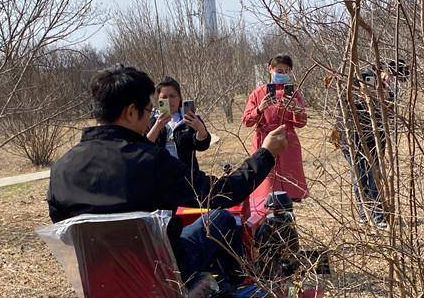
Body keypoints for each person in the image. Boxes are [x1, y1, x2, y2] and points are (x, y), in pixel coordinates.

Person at [48, 65, 288, 281]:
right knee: (222, 218)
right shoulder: (150, 162)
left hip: (102, 282)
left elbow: (67, 234)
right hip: (162, 274)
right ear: (131, 112)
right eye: (148, 109)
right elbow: (221, 194)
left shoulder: (62, 168)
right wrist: (265, 153)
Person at [242, 54, 308, 206]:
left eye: (286, 71)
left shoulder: (294, 94)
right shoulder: (258, 93)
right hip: (264, 141)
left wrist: (297, 110)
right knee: (266, 186)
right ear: (270, 69)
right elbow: (246, 121)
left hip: (288, 143)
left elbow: (301, 123)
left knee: (290, 187)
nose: (282, 74)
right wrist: (259, 109)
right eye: (279, 70)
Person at [333, 66, 391, 228]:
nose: (367, 85)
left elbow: (390, 118)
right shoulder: (348, 97)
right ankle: (364, 213)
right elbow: (342, 120)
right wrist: (356, 98)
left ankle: (378, 215)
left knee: (374, 177)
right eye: (363, 82)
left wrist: (381, 96)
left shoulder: (381, 95)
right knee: (359, 178)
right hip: (351, 143)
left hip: (375, 142)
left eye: (371, 81)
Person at [147, 77, 211, 185]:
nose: (169, 100)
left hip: (187, 177)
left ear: (179, 98)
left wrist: (201, 129)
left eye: (172, 96)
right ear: (158, 100)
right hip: (160, 179)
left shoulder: (189, 119)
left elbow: (202, 146)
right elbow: (144, 147)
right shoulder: (151, 120)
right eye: (164, 97)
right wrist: (158, 126)